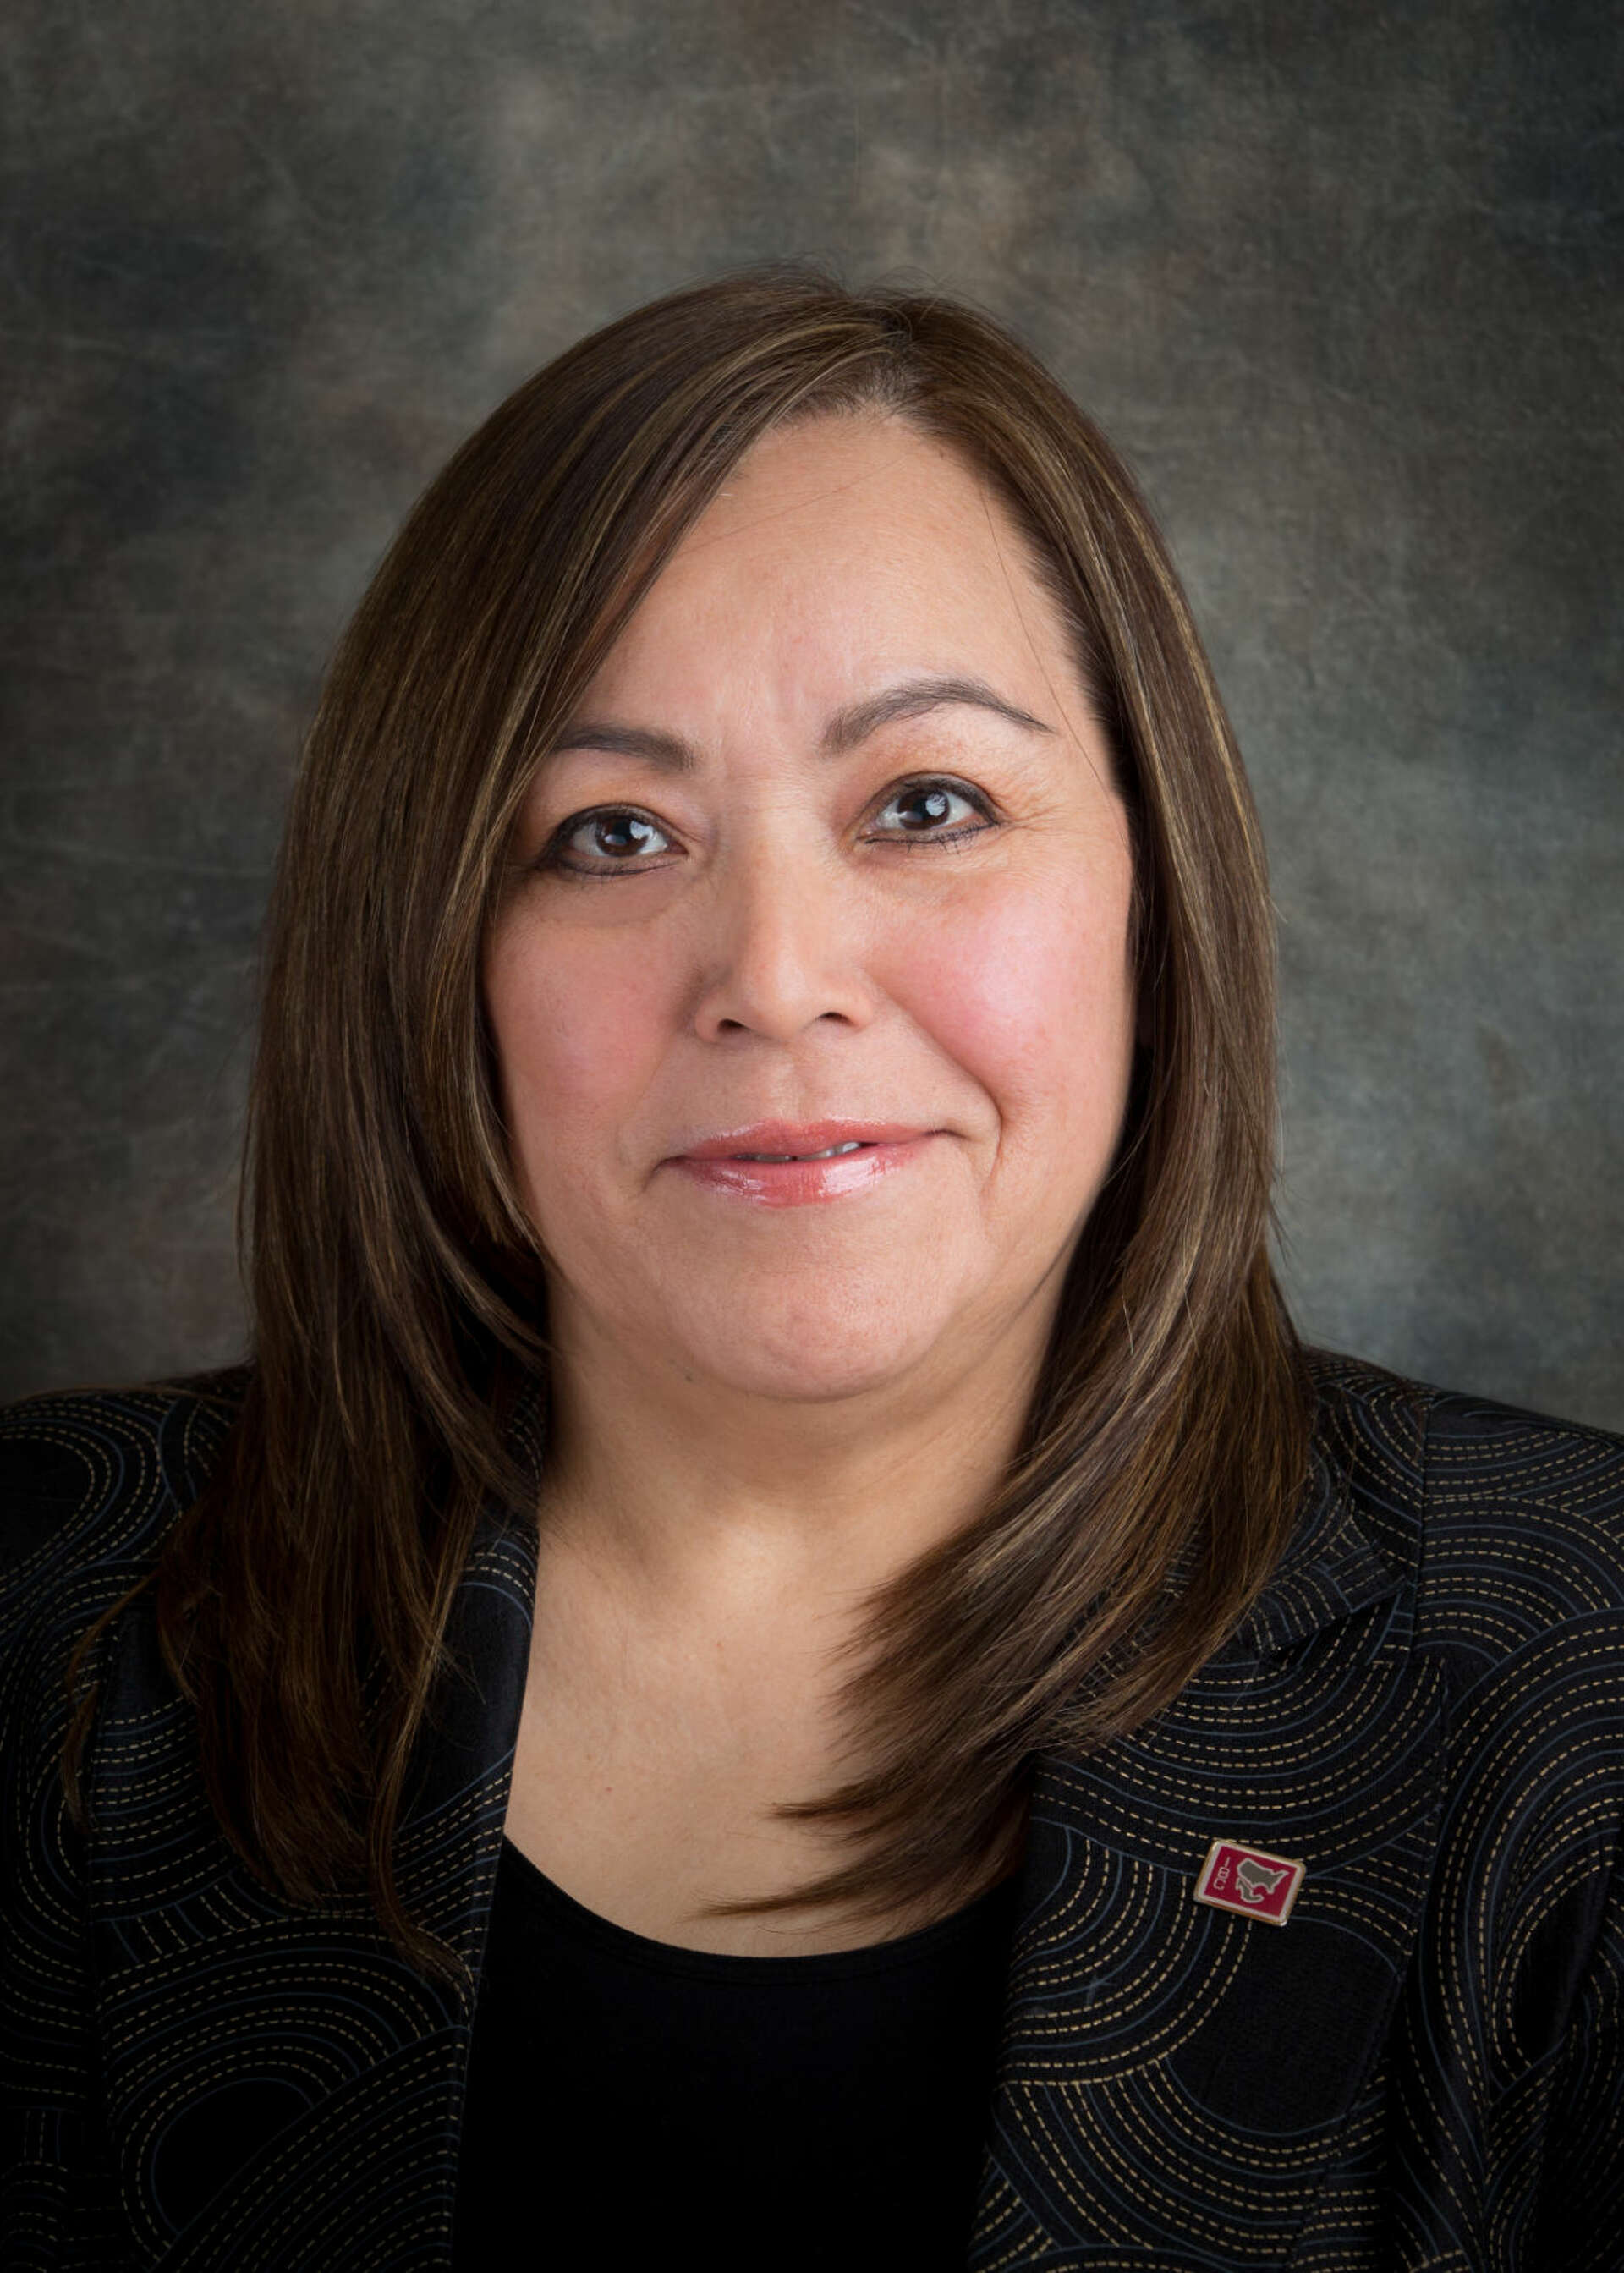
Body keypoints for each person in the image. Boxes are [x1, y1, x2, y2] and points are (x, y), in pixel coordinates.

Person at [2, 266, 1620, 2273]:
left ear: (1152, 886)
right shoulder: (45, 1627)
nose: (773, 978)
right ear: (428, 956)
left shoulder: (1580, 1678)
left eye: (927, 805)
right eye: (611, 835)